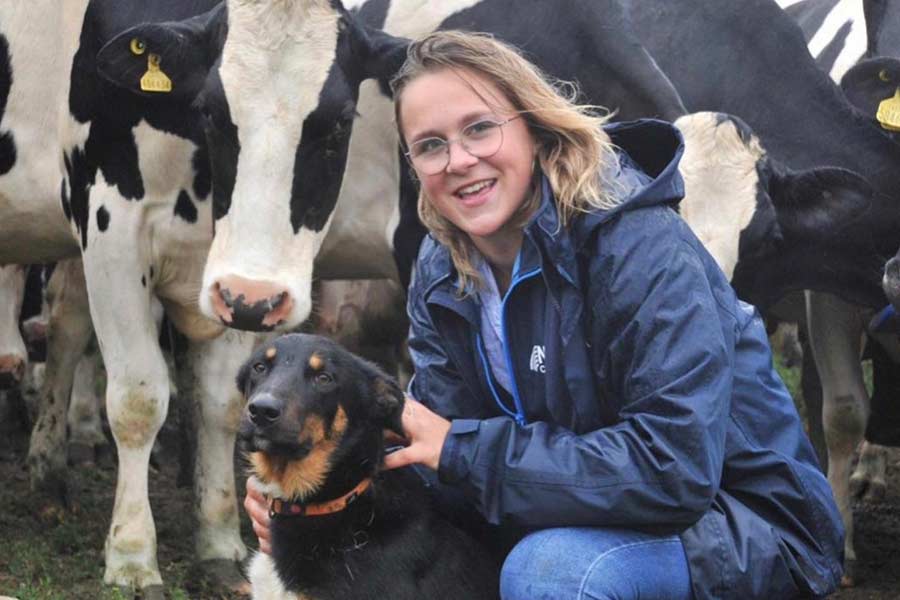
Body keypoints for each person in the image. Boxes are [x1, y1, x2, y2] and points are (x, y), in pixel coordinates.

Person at [245, 30, 844, 600]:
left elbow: (675, 471)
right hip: (567, 505)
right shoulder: (442, 264)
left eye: (480, 129)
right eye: (430, 145)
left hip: (741, 523)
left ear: (533, 127)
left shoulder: (640, 248)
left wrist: (463, 453)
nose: (458, 160)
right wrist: (316, 508)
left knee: (550, 572)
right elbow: (441, 450)